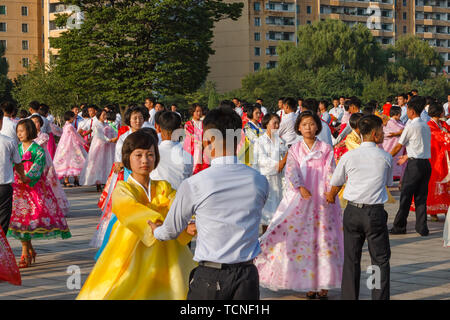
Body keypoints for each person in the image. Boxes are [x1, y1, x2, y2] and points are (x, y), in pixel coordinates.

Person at [150, 107, 269, 300]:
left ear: (207, 139)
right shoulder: (259, 181)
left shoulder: (196, 183)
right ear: (239, 139)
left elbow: (171, 230)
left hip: (211, 276)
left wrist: (155, 230)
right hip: (247, 275)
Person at [77, 131, 196, 299]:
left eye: (150, 155)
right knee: (123, 284)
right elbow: (128, 208)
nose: (145, 160)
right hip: (130, 243)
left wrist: (188, 222)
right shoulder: (123, 188)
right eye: (138, 155)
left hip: (166, 244)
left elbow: (178, 205)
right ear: (128, 158)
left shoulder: (164, 186)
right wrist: (158, 221)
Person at [255, 111, 343, 300]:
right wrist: (300, 187)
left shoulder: (326, 148)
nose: (308, 128)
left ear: (317, 126)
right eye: (304, 125)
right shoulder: (294, 149)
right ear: (299, 128)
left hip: (322, 201)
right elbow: (291, 170)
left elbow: (331, 170)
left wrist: (330, 192)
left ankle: (324, 284)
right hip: (302, 200)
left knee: (324, 240)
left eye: (312, 124)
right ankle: (308, 284)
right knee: (304, 241)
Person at [328, 115, 393, 300]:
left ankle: (349, 297)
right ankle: (377, 297)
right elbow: (387, 183)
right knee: (378, 260)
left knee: (351, 259)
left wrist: (331, 196)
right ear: (374, 134)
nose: (383, 133)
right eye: (381, 130)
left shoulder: (349, 156)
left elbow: (336, 182)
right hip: (374, 212)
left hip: (352, 212)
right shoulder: (385, 157)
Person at [8, 119, 71, 268]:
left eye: (22, 131)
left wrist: (26, 177)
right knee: (20, 221)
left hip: (34, 188)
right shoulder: (15, 148)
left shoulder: (39, 150)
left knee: (30, 220)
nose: (19, 134)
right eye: (18, 131)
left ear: (30, 131)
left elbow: (38, 167)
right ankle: (27, 249)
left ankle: (26, 251)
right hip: (17, 188)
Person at [389, 96, 432, 236]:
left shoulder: (411, 126)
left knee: (406, 196)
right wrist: (408, 155)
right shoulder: (426, 125)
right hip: (425, 164)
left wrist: (386, 157)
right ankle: (422, 227)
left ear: (412, 111)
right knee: (421, 197)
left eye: (407, 109)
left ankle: (399, 226)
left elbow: (398, 146)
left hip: (414, 165)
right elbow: (420, 146)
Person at [411, 103, 450, 221]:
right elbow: (438, 137)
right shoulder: (429, 126)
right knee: (433, 183)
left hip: (444, 158)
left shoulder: (443, 124)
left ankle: (443, 208)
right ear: (440, 112)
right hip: (433, 159)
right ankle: (432, 211)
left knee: (444, 185)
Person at [253, 113, 287, 232]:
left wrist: (283, 164)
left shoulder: (282, 141)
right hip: (266, 179)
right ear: (266, 124)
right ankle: (265, 238)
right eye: (274, 123)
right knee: (266, 211)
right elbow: (261, 160)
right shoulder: (259, 141)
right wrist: (279, 164)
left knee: (279, 210)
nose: (277, 126)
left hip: (279, 179)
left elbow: (286, 160)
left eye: (278, 123)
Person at [31, 115, 70, 217]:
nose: (35, 124)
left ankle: (53, 207)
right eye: (33, 122)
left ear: (41, 124)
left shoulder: (43, 135)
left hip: (44, 161)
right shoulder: (29, 137)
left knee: (49, 182)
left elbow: (37, 145)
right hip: (33, 162)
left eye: (37, 122)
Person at [0, 109, 27, 235]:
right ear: (1, 122)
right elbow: (18, 163)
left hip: (4, 186)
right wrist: (22, 176)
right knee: (3, 220)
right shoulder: (9, 141)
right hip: (4, 187)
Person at [150, 111, 193, 190]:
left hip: (156, 199)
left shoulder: (151, 154)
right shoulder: (188, 156)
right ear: (180, 129)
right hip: (179, 198)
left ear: (158, 128)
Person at [80, 108, 117, 192]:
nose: (105, 116)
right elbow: (100, 135)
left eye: (105, 115)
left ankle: (105, 180)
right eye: (103, 115)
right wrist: (109, 140)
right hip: (99, 146)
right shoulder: (97, 125)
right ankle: (98, 182)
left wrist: (115, 138)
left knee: (106, 163)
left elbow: (113, 133)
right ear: (99, 116)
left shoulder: (107, 125)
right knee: (98, 163)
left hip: (107, 147)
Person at [53, 111, 88, 187]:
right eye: (73, 117)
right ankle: (68, 180)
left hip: (64, 145)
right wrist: (84, 142)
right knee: (71, 162)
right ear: (70, 118)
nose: (74, 119)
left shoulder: (65, 125)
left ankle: (75, 180)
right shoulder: (70, 126)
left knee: (69, 162)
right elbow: (76, 135)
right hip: (70, 145)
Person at [381, 106, 406, 181]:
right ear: (398, 114)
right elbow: (403, 130)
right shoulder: (391, 122)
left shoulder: (399, 121)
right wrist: (399, 133)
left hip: (396, 145)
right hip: (391, 145)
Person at [183, 103, 209, 175]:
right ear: (192, 112)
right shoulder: (188, 124)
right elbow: (192, 136)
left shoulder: (205, 123)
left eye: (200, 111)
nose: (199, 113)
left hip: (204, 150)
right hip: (193, 150)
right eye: (197, 111)